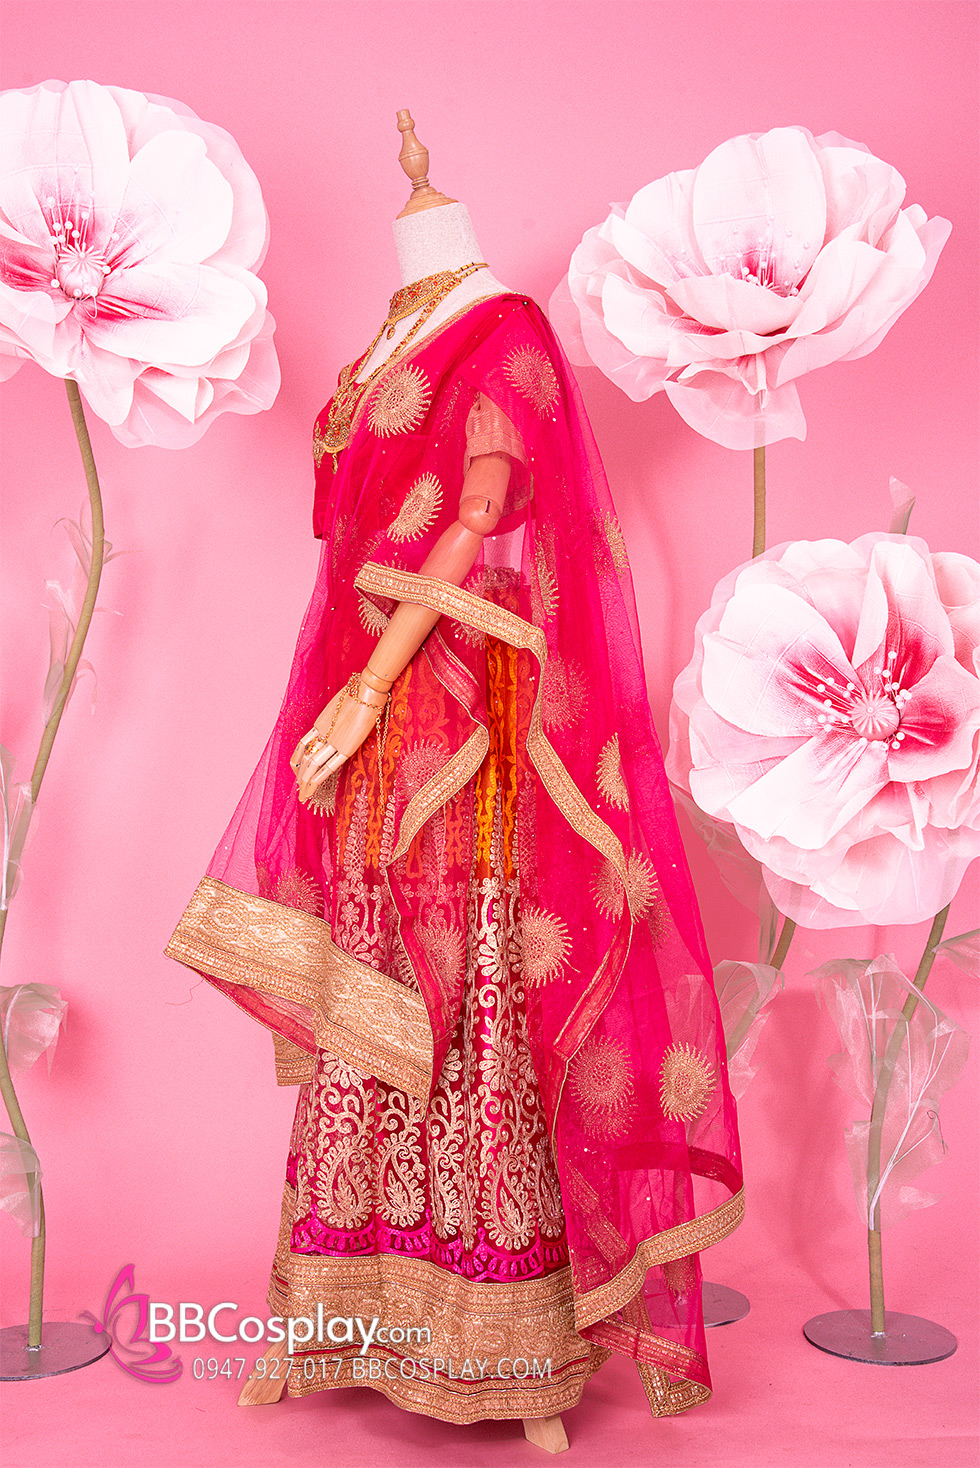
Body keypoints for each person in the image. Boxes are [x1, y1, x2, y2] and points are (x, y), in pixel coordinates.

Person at [166, 115, 743, 1436]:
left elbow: (480, 517)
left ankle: (506, 1342)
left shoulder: (504, 329)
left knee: (475, 985)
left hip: (458, 711)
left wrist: (375, 682)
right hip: (373, 716)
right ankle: (336, 1310)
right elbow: (348, 543)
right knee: (372, 983)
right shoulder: (383, 345)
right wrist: (357, 694)